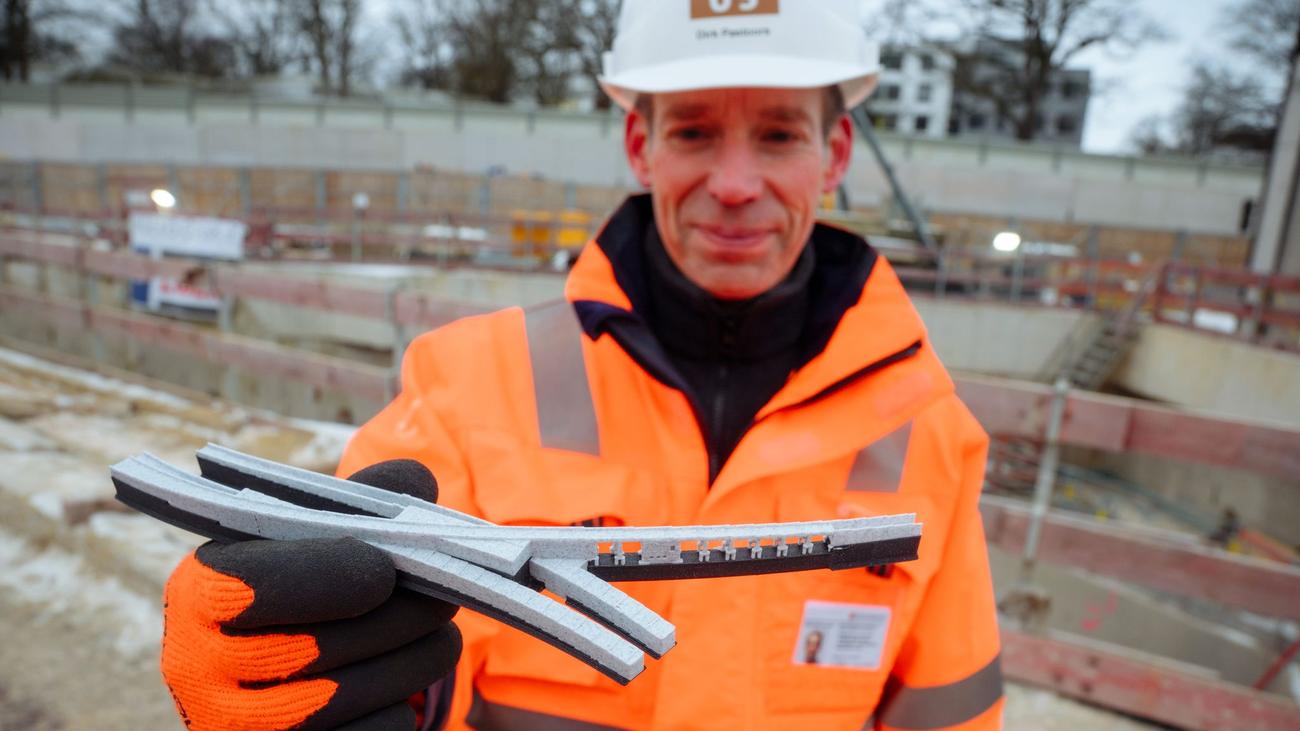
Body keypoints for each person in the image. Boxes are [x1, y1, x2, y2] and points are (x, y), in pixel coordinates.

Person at [158, 1, 1003, 729]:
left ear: (837, 153)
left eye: (779, 135)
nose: (735, 182)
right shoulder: (472, 384)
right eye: (694, 132)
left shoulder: (931, 432)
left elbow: (950, 709)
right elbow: (389, 642)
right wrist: (313, 678)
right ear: (641, 143)